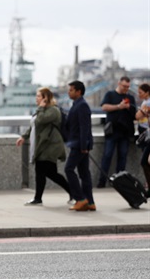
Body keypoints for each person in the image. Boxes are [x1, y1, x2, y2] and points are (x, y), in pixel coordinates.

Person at [16, 87, 72, 206]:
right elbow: (34, 127)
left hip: (49, 146)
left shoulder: (53, 110)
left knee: (44, 172)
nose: (36, 98)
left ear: (45, 98)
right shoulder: (41, 110)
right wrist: (24, 136)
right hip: (42, 146)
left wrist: (41, 107)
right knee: (49, 173)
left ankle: (40, 198)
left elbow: (41, 121)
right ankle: (39, 198)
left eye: (38, 96)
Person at [97, 76, 136, 188]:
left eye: (128, 87)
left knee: (122, 156)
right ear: (119, 84)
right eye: (124, 86)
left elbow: (135, 113)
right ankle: (102, 181)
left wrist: (129, 107)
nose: (126, 89)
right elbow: (104, 107)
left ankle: (120, 182)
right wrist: (119, 106)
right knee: (107, 155)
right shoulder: (110, 94)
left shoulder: (130, 97)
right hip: (112, 131)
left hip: (125, 131)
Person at [64, 81, 96, 211]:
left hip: (79, 145)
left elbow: (85, 127)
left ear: (78, 92)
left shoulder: (82, 105)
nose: (68, 92)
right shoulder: (77, 105)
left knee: (69, 169)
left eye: (71, 90)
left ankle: (80, 199)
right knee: (84, 173)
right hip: (80, 144)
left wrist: (83, 146)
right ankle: (90, 202)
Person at [135, 83, 150, 193]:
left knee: (144, 161)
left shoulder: (147, 102)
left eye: (140, 92)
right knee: (145, 161)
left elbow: (138, 116)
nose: (138, 95)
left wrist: (142, 111)